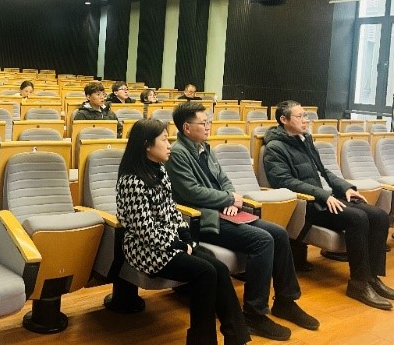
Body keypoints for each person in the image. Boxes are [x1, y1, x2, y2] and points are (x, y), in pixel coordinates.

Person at [165, 102, 318, 341]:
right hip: (202, 219)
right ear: (186, 127)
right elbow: (191, 192)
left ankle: (285, 301)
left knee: (279, 233)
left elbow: (224, 179)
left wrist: (231, 198)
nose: (208, 126)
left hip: (224, 211)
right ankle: (254, 313)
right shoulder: (177, 154)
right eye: (203, 123)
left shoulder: (205, 147)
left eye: (208, 122)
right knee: (263, 240)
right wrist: (227, 199)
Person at [116, 118, 250, 345]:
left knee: (218, 267)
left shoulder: (159, 170)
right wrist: (178, 244)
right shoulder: (132, 181)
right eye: (164, 140)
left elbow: (172, 209)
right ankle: (202, 340)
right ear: (147, 145)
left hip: (170, 241)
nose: (169, 145)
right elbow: (143, 229)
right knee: (205, 272)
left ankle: (237, 337)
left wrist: (186, 236)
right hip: (145, 248)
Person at [263, 100, 394, 310]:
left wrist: (345, 188)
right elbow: (284, 181)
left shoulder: (305, 139)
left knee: (379, 216)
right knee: (358, 218)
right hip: (308, 205)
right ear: (284, 120)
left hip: (326, 198)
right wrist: (323, 196)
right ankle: (359, 283)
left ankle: (372, 277)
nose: (306, 120)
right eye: (300, 116)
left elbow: (323, 171)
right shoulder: (274, 148)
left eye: (306, 115)